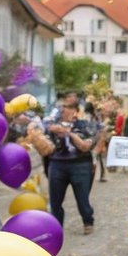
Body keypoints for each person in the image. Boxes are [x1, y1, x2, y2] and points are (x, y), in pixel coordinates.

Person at [43, 97, 100, 234]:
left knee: (82, 198)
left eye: (67, 108)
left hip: (79, 165)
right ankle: (56, 227)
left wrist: (69, 134)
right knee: (55, 200)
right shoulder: (53, 124)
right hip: (57, 164)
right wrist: (48, 130)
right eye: (62, 107)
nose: (63, 110)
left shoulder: (85, 124)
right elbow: (44, 142)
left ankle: (88, 221)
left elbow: (86, 146)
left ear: (75, 110)